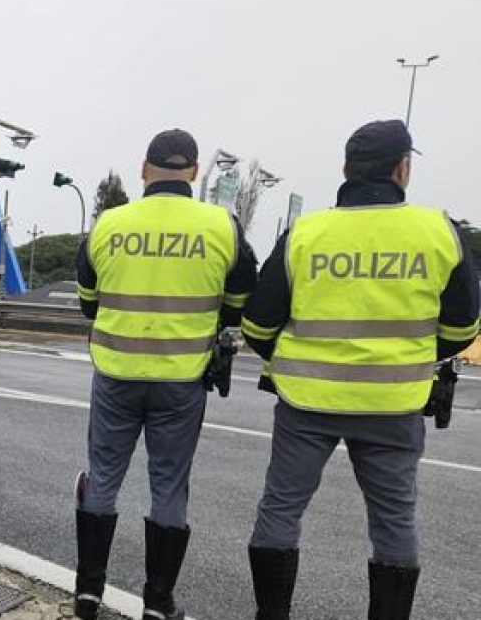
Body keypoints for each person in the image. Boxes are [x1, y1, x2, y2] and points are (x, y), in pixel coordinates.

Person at [241, 120, 480, 620]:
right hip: (394, 405)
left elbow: (258, 323)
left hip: (306, 403)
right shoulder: (439, 231)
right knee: (395, 521)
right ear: (403, 168)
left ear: (346, 170)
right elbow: (463, 327)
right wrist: (412, 355)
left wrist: (284, 361)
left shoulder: (306, 233)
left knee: (281, 510)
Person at [73, 129, 257, 620]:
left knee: (103, 479)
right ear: (195, 172)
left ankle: (88, 594)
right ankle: (157, 603)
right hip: (183, 378)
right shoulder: (223, 226)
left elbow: (88, 303)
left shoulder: (108, 224)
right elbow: (241, 300)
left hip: (115, 372)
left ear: (143, 168)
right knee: (170, 487)